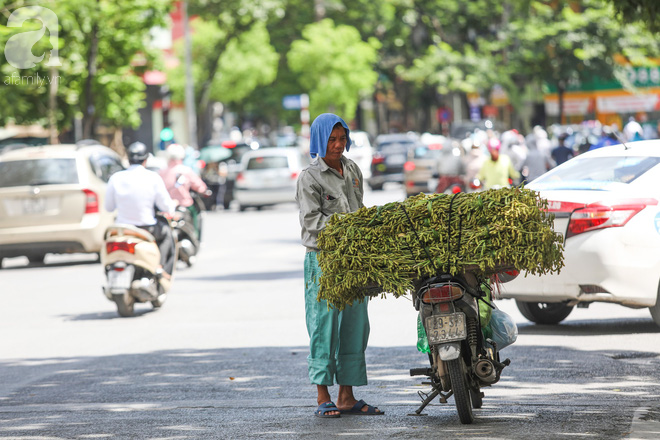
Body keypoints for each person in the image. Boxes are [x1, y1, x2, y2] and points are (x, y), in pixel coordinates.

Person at [296, 113, 384, 418]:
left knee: (355, 325)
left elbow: (358, 209)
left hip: (354, 261)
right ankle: (323, 396)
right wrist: (349, 226)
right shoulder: (310, 177)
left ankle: (347, 396)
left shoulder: (353, 170)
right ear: (319, 141)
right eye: (332, 139)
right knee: (324, 325)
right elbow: (312, 222)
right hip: (324, 259)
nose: (338, 145)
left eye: (342, 138)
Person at [105, 142, 177, 278]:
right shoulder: (153, 177)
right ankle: (160, 269)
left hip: (122, 229)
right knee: (168, 234)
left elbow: (108, 207)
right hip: (147, 229)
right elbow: (166, 207)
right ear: (146, 160)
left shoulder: (116, 178)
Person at [159, 143, 208, 238]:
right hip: (183, 205)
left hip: (166, 207)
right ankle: (194, 236)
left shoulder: (162, 172)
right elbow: (200, 186)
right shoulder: (186, 170)